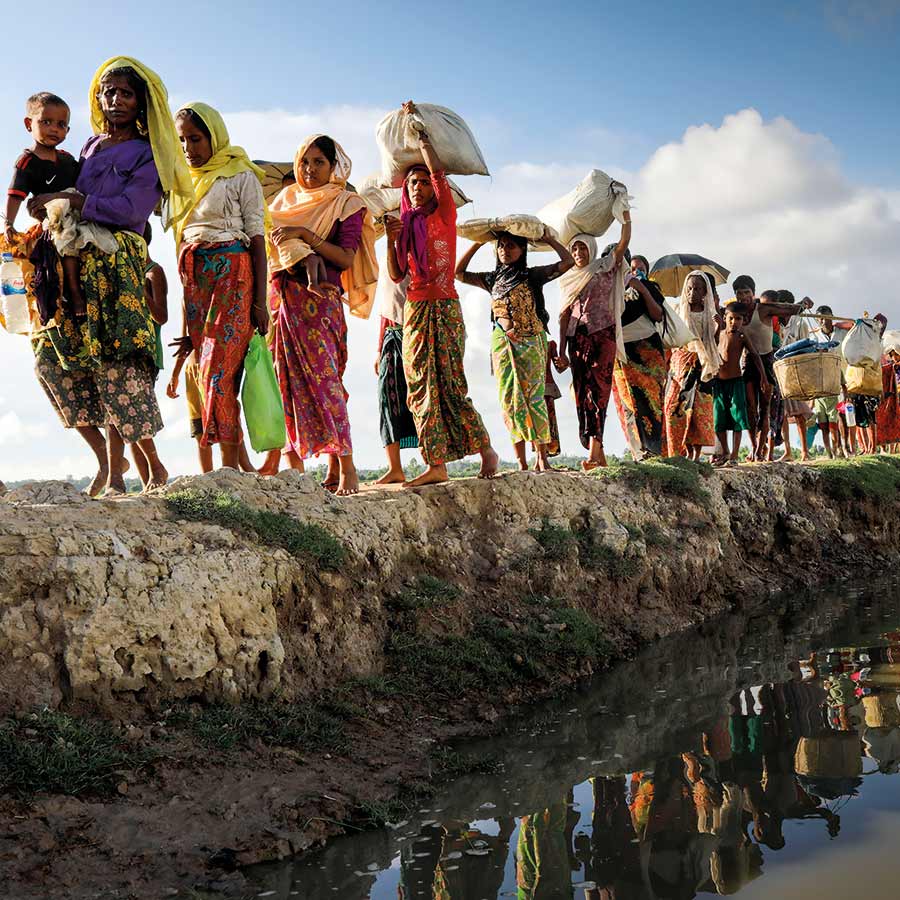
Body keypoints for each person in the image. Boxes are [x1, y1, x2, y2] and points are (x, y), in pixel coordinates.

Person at [26, 56, 193, 495]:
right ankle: (106, 460)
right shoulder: (90, 147)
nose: (115, 100)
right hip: (74, 263)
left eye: (126, 93)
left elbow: (132, 210)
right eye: (108, 91)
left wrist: (68, 200)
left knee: (116, 364)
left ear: (141, 103)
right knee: (53, 358)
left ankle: (133, 472)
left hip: (118, 262)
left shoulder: (148, 152)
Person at [385, 100, 499, 487]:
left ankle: (485, 449)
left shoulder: (443, 214)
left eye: (422, 183)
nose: (417, 188)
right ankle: (436, 463)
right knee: (418, 382)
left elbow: (437, 172)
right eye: (410, 184)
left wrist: (421, 139)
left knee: (451, 381)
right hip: (415, 310)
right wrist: (390, 240)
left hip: (446, 306)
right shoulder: (406, 224)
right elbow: (398, 273)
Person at [261, 133, 377, 495]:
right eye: (305, 162)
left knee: (327, 383)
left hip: (321, 304)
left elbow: (344, 258)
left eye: (319, 162)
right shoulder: (283, 200)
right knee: (286, 383)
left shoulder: (347, 202)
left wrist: (305, 234)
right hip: (284, 300)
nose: (310, 170)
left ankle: (347, 467)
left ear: (334, 166)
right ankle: (296, 470)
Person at [173, 102, 269, 472]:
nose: (188, 149)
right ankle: (237, 465)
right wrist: (184, 329)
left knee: (219, 372)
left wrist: (259, 303)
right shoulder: (181, 184)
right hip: (196, 281)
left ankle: (230, 466)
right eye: (181, 141)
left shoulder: (241, 175)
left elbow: (257, 241)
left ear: (214, 136)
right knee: (208, 373)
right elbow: (179, 249)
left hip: (233, 277)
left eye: (195, 139)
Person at [456, 227, 573, 472]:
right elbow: (458, 273)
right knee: (509, 399)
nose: (504, 250)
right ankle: (520, 461)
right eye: (500, 246)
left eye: (511, 246)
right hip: (502, 344)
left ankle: (542, 458)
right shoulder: (492, 280)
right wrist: (478, 243)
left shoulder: (533, 276)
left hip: (530, 341)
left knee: (534, 398)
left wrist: (550, 240)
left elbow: (567, 262)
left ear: (522, 250)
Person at [554, 217, 632, 470]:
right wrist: (563, 351)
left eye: (582, 248)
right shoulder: (569, 279)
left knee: (598, 393)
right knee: (581, 395)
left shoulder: (604, 267)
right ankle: (598, 454)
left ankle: (593, 453)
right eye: (574, 248)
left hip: (602, 336)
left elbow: (623, 243)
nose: (578, 253)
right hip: (578, 340)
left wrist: (626, 217)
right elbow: (564, 315)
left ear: (592, 249)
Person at [3, 92, 86, 315]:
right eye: (46, 122)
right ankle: (73, 292)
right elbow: (15, 195)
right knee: (66, 245)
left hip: (79, 210)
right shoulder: (27, 161)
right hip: (55, 218)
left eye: (61, 124)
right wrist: (8, 224)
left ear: (68, 131)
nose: (54, 129)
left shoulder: (67, 159)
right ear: (29, 124)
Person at [736, 279, 812, 460]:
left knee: (767, 408)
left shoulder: (763, 309)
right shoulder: (735, 312)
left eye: (747, 292)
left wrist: (803, 303)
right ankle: (755, 447)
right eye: (739, 293)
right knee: (750, 409)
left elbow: (789, 310)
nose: (743, 296)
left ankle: (760, 450)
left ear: (752, 293)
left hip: (768, 362)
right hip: (748, 363)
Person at [611, 244, 668, 460]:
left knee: (651, 401)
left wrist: (641, 288)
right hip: (621, 351)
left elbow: (657, 315)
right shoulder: (606, 286)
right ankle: (638, 453)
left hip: (647, 349)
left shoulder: (646, 285)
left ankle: (654, 452)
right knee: (628, 404)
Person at [663, 271, 720, 461]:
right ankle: (680, 451)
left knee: (698, 411)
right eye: (689, 288)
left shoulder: (709, 314)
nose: (692, 292)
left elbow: (712, 340)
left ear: (705, 292)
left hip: (702, 366)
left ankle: (695, 454)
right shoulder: (678, 310)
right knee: (676, 407)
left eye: (697, 289)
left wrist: (718, 328)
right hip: (681, 365)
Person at [373, 267, 419, 484]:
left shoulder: (418, 259)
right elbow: (386, 307)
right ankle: (395, 468)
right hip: (391, 337)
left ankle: (435, 464)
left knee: (422, 400)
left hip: (416, 335)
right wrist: (378, 348)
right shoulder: (387, 262)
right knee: (387, 399)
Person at [714, 307, 766, 465]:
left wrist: (763, 377)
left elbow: (755, 356)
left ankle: (735, 455)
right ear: (725, 318)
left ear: (743, 321)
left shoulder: (742, 336)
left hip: (736, 381)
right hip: (718, 382)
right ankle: (725, 451)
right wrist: (717, 327)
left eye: (738, 319)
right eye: (731, 318)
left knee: (738, 418)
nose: (734, 322)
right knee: (718, 419)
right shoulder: (720, 334)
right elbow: (712, 348)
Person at [774, 290, 814, 462]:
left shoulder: (799, 323)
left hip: (795, 370)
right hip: (778, 370)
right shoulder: (773, 321)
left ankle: (805, 451)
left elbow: (806, 347)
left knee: (798, 413)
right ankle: (788, 450)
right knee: (781, 412)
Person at [810, 306, 844, 458]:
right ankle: (831, 452)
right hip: (821, 387)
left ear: (832, 316)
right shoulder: (815, 337)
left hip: (840, 378)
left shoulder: (842, 333)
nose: (823, 321)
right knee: (825, 425)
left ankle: (842, 448)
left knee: (841, 419)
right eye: (820, 318)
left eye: (826, 317)